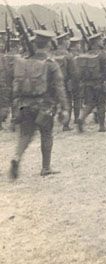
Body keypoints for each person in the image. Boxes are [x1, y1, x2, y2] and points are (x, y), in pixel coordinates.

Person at [9, 30, 68, 180]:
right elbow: (59, 87)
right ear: (48, 43)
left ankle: (17, 157)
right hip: (44, 105)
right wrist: (64, 108)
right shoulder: (50, 63)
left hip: (24, 104)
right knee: (46, 134)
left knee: (25, 134)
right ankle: (46, 167)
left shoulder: (24, 61)